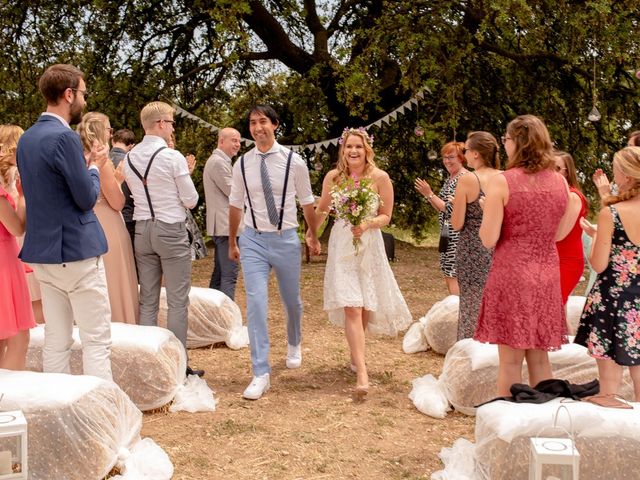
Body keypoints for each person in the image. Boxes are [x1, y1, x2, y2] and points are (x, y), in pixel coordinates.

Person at [16, 63, 113, 381]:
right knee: (96, 341)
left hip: (43, 253)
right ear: (68, 94)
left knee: (56, 341)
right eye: (83, 93)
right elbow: (85, 198)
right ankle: (103, 418)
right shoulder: (66, 138)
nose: (84, 99)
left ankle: (60, 413)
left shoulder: (27, 139)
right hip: (77, 251)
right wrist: (95, 169)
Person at [473, 114, 577, 397]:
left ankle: (508, 434)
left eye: (506, 139)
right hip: (546, 273)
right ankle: (542, 427)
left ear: (516, 142)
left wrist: (488, 213)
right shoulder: (559, 182)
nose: (504, 144)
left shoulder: (502, 181)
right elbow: (557, 235)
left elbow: (488, 238)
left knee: (509, 363)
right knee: (540, 359)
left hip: (512, 272)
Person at [308, 127, 412, 398]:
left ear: (367, 149)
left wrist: (367, 223)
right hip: (343, 244)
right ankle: (362, 372)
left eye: (358, 146)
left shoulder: (380, 178)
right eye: (348, 147)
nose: (353, 151)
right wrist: (312, 232)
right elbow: (322, 210)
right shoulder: (334, 177)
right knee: (352, 308)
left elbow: (386, 215)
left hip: (369, 244)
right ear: (342, 150)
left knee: (365, 305)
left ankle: (357, 357)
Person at [228, 104, 318, 400]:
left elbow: (306, 202)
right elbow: (235, 204)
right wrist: (232, 241)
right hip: (252, 239)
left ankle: (294, 341)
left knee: (291, 300)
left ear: (275, 125)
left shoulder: (294, 162)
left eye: (262, 121)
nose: (257, 128)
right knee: (255, 303)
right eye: (252, 123)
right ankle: (260, 372)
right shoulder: (241, 164)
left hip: (285, 238)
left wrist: (313, 234)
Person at [123, 101, 203, 377]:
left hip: (142, 229)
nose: (172, 128)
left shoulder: (130, 158)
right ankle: (178, 366)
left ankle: (148, 363)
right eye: (171, 123)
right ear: (160, 124)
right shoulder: (172, 157)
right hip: (170, 228)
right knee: (178, 300)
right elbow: (191, 200)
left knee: (148, 298)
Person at [575, 146, 640, 407]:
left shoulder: (611, 213)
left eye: (615, 173)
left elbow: (599, 264)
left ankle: (609, 399)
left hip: (613, 298)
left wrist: (596, 239)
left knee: (608, 362)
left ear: (626, 176)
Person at [78, 112, 139, 324]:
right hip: (106, 225)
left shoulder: (75, 157)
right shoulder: (101, 161)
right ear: (101, 132)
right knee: (113, 280)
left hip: (84, 224)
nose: (111, 133)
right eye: (109, 129)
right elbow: (117, 202)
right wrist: (119, 179)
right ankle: (118, 324)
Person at [450, 132, 502, 340]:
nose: (464, 156)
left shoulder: (468, 180)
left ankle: (469, 350)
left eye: (466, 151)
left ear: (476, 154)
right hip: (500, 248)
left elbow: (456, 223)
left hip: (472, 249)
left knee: (472, 307)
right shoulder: (505, 177)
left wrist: (455, 203)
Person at [0, 128, 35, 370]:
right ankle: (10, 397)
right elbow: (17, 228)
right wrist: (23, 197)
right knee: (19, 338)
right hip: (4, 261)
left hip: (8, 259)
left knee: (8, 337)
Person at [415, 142, 468, 295]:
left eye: (451, 157)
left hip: (457, 236)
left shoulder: (463, 178)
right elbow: (441, 208)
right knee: (447, 273)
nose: (447, 161)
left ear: (462, 158)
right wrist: (429, 196)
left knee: (453, 275)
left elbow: (451, 209)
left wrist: (429, 193)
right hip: (446, 235)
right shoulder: (450, 178)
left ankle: (457, 314)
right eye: (445, 158)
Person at [204, 127, 242, 299]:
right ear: (221, 141)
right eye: (234, 140)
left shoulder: (222, 161)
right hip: (226, 226)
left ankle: (212, 317)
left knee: (220, 275)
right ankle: (227, 319)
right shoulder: (218, 162)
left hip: (223, 226)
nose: (238, 144)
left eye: (239, 141)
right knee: (229, 275)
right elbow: (233, 192)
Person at [553, 150, 588, 304]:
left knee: (552, 306)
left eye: (556, 169)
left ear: (568, 172)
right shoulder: (556, 194)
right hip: (553, 259)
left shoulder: (573, 196)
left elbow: (559, 235)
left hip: (567, 260)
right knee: (557, 311)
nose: (550, 173)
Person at [110, 129, 137, 251]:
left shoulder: (101, 160)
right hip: (129, 216)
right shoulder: (132, 162)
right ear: (132, 145)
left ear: (112, 141)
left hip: (109, 217)